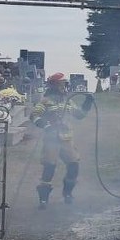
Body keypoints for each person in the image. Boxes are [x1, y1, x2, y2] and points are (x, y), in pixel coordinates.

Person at [30, 72, 94, 208]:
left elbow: (79, 115)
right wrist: (46, 126)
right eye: (62, 84)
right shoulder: (45, 101)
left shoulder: (68, 101)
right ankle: (43, 199)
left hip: (66, 140)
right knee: (49, 168)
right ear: (55, 85)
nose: (65, 87)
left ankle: (68, 193)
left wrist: (87, 103)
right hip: (51, 140)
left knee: (73, 166)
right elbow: (34, 115)